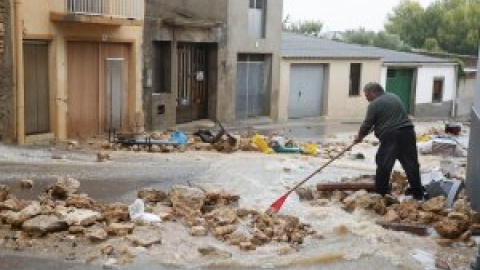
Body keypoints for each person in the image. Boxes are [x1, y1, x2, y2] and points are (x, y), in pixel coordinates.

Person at [353, 82, 424, 200]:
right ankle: (418, 195)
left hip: (391, 136)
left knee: (383, 164)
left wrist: (359, 137)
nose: (366, 98)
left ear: (372, 92)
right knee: (411, 165)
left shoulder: (374, 104)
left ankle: (380, 195)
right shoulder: (394, 97)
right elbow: (394, 117)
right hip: (408, 133)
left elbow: (367, 124)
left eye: (366, 95)